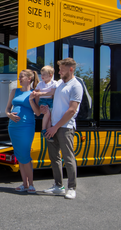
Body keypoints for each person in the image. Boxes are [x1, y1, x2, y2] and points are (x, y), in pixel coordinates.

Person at [31, 58, 83, 200]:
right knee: (55, 158)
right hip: (52, 125)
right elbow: (50, 95)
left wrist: (55, 127)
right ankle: (58, 186)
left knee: (68, 157)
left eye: (62, 69)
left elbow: (72, 110)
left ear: (71, 69)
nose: (59, 72)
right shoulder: (59, 84)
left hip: (65, 127)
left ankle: (71, 188)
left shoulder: (76, 86)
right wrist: (45, 109)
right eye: (59, 69)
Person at [5, 69, 40, 193]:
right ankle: (24, 184)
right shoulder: (15, 91)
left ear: (29, 78)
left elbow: (37, 112)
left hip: (27, 126)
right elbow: (7, 109)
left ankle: (31, 184)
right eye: (19, 76)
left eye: (22, 76)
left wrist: (31, 100)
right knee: (19, 155)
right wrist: (10, 115)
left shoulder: (34, 93)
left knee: (25, 154)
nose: (19, 78)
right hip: (13, 127)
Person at [34, 65, 56, 141]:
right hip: (43, 100)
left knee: (50, 117)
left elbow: (52, 92)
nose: (42, 76)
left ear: (50, 75)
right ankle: (43, 129)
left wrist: (41, 93)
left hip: (50, 101)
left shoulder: (54, 83)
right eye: (41, 74)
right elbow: (36, 92)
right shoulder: (40, 84)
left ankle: (48, 132)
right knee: (47, 113)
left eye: (44, 74)